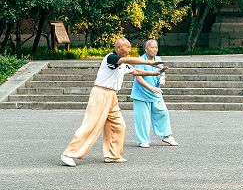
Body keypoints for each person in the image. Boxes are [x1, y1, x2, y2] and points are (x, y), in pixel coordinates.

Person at [60, 37, 166, 167]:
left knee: (118, 125)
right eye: (126, 47)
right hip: (100, 94)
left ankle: (112, 155)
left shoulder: (123, 63)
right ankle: (68, 154)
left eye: (129, 47)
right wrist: (149, 63)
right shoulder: (111, 58)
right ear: (118, 48)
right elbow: (127, 60)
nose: (129, 49)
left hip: (112, 96)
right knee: (90, 125)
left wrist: (154, 74)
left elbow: (135, 71)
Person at [131, 40, 178, 148]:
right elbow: (138, 78)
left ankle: (166, 136)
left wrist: (162, 78)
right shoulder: (140, 60)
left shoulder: (158, 59)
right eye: (152, 47)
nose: (155, 49)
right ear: (146, 49)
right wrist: (151, 88)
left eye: (156, 47)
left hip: (155, 93)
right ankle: (143, 140)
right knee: (143, 118)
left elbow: (162, 72)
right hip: (141, 93)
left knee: (163, 112)